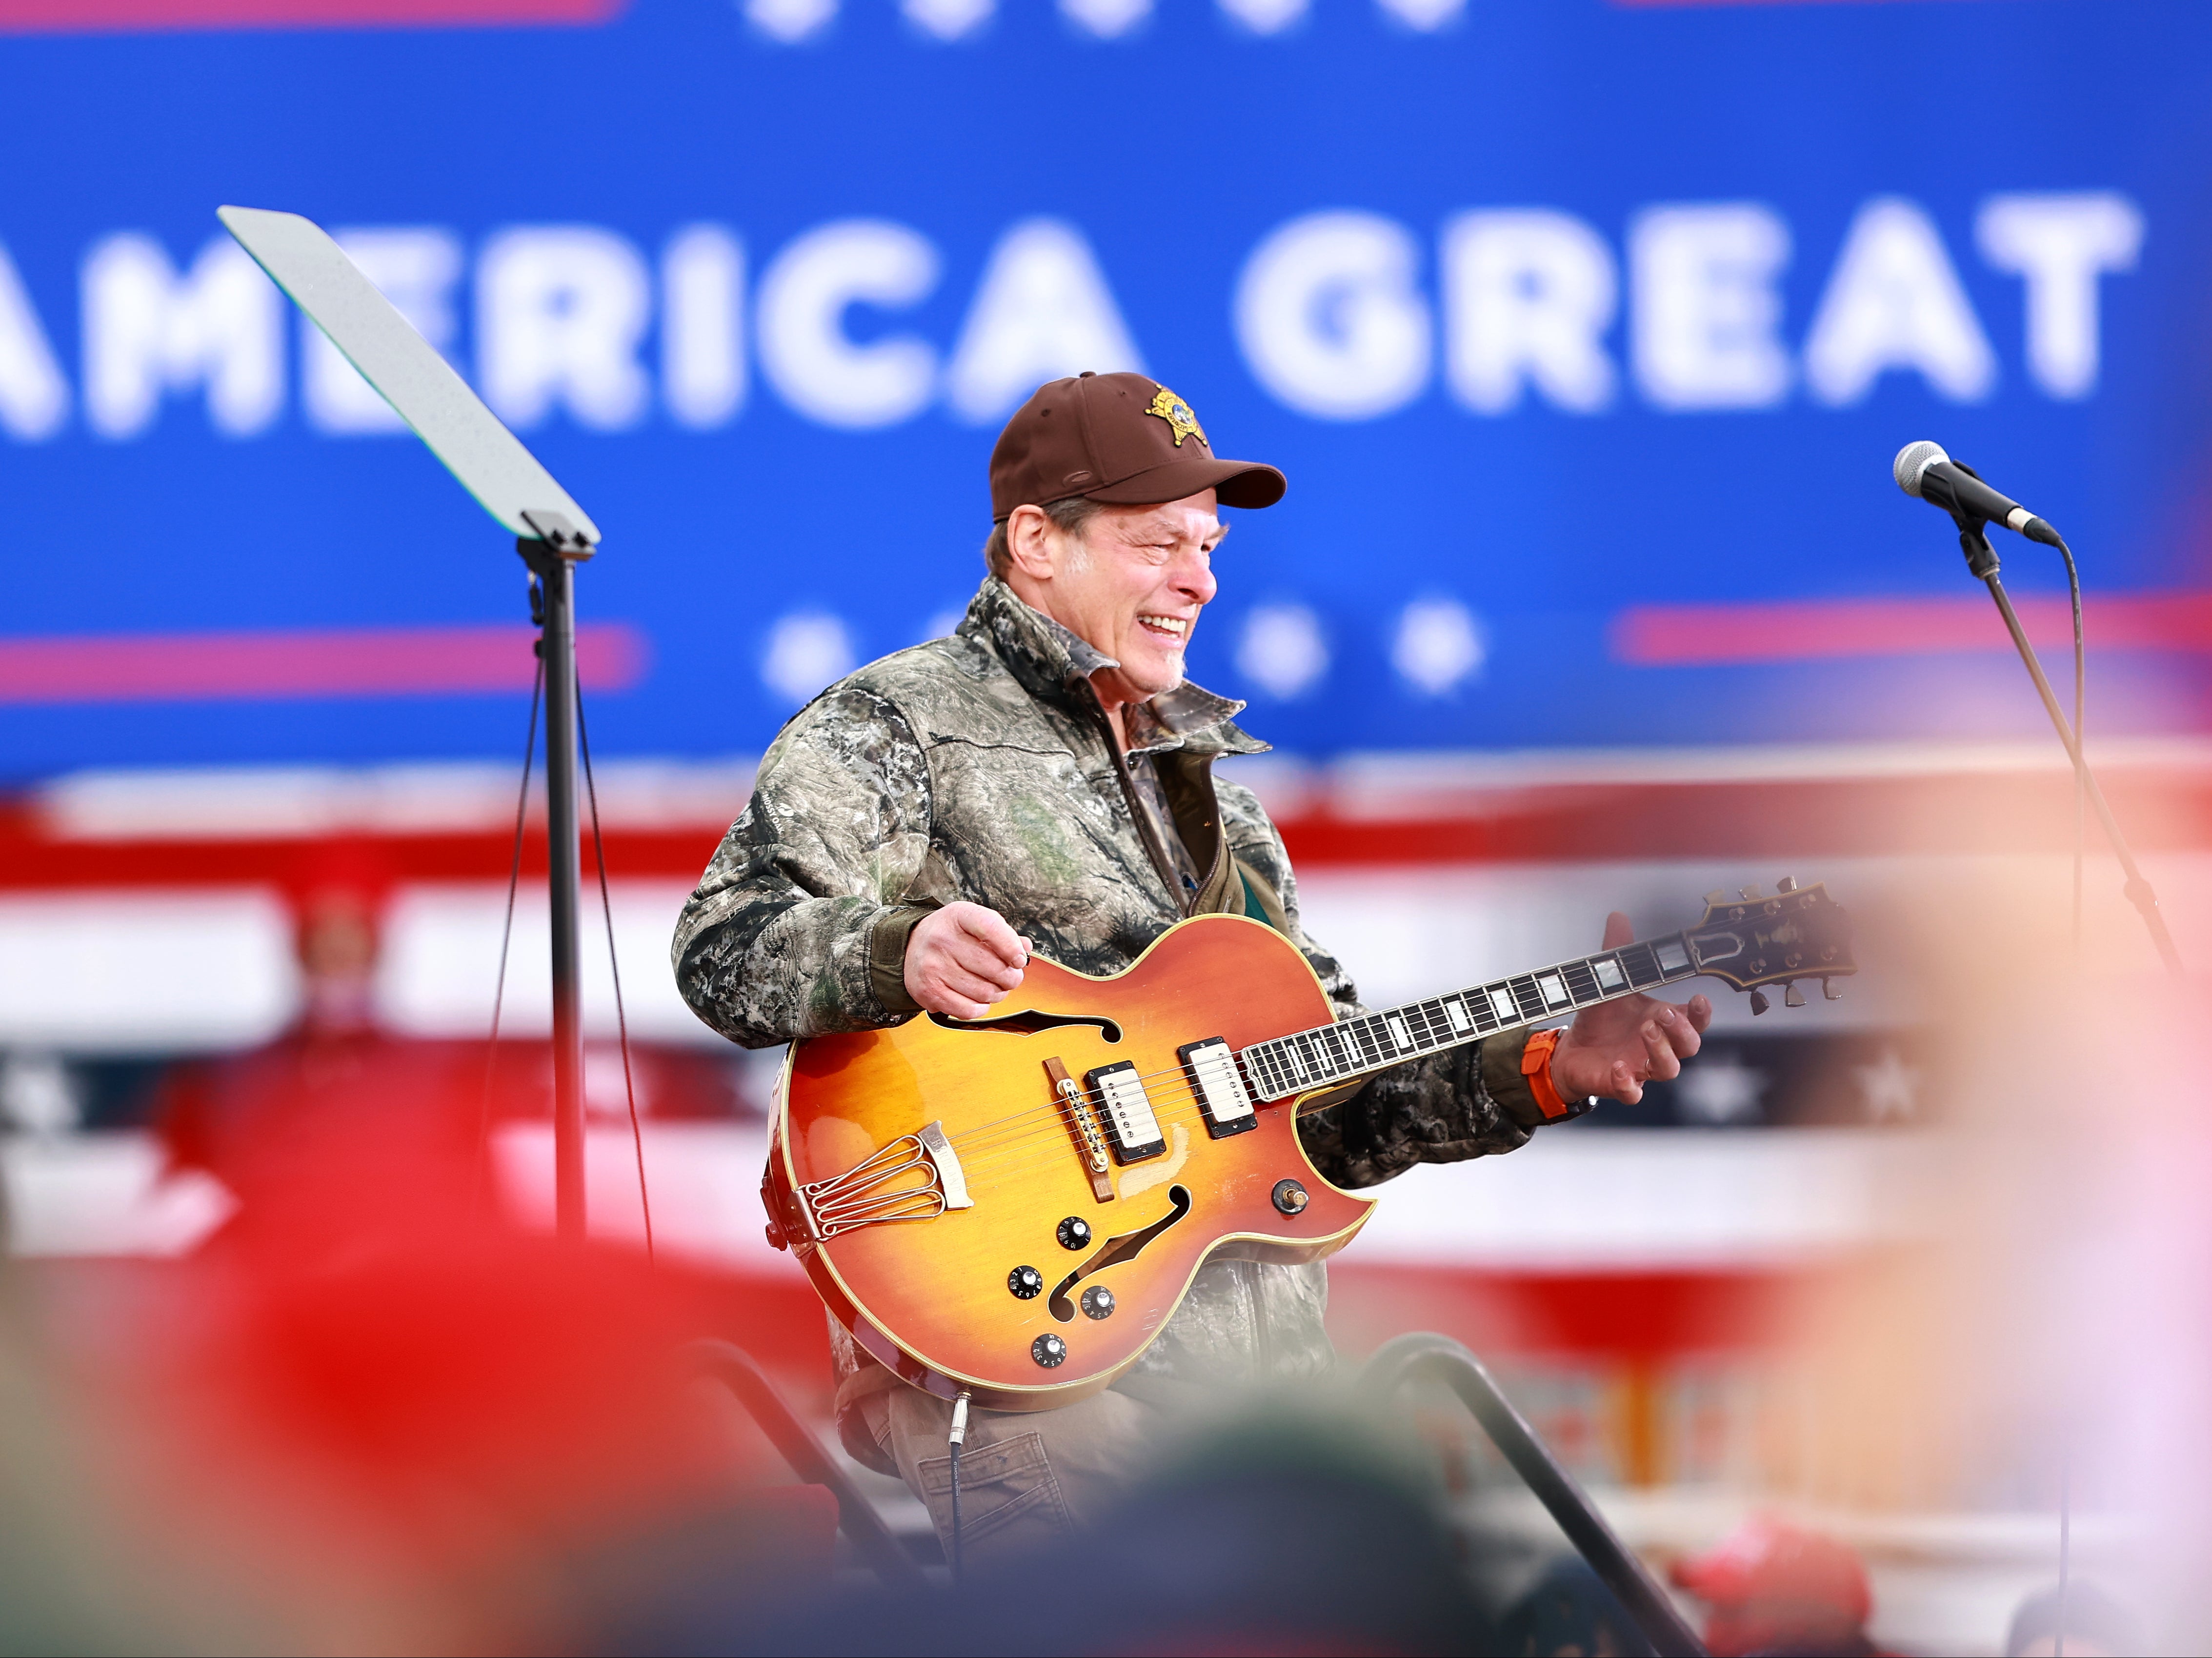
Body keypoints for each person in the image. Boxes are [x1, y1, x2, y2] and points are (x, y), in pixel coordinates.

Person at [672, 372, 1710, 1562]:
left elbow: (1317, 1111)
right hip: (1039, 1374)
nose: (1200, 578)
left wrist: (1537, 1066)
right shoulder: (894, 724)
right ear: (1035, 542)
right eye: (1158, 540)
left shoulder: (1218, 800)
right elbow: (724, 945)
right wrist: (894, 947)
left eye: (1207, 545)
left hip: (1250, 1421)